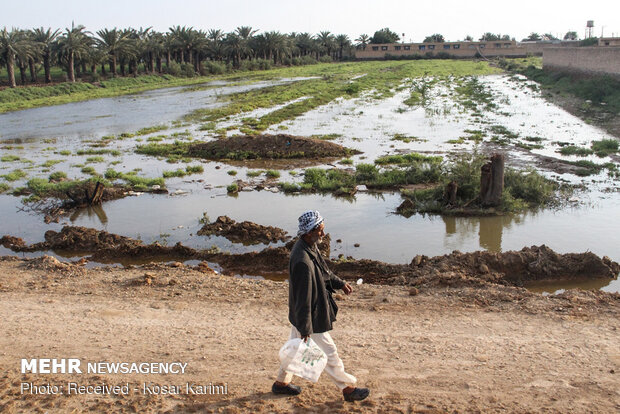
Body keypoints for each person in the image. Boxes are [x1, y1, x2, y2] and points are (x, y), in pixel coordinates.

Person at [272, 210, 370, 402]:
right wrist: (306, 328)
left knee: (293, 351)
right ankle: (348, 388)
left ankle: (280, 384)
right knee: (330, 353)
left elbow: (324, 272)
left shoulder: (308, 247)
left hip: (303, 317)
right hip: (310, 317)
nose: (323, 234)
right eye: (320, 230)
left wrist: (340, 283)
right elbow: (303, 299)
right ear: (309, 232)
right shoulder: (302, 261)